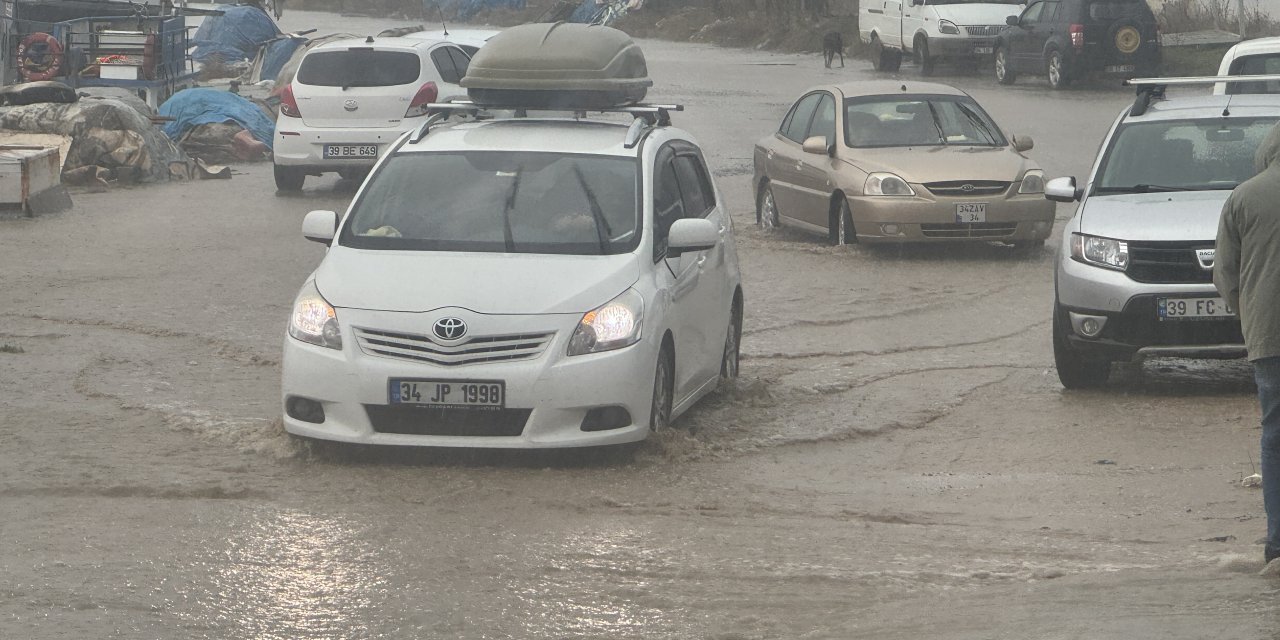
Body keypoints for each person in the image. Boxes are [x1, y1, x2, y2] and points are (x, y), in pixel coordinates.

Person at [1214, 123, 1280, 568]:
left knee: (1275, 436)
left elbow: (1225, 275)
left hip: (1269, 337)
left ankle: (1277, 542)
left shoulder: (1242, 196)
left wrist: (1250, 317)